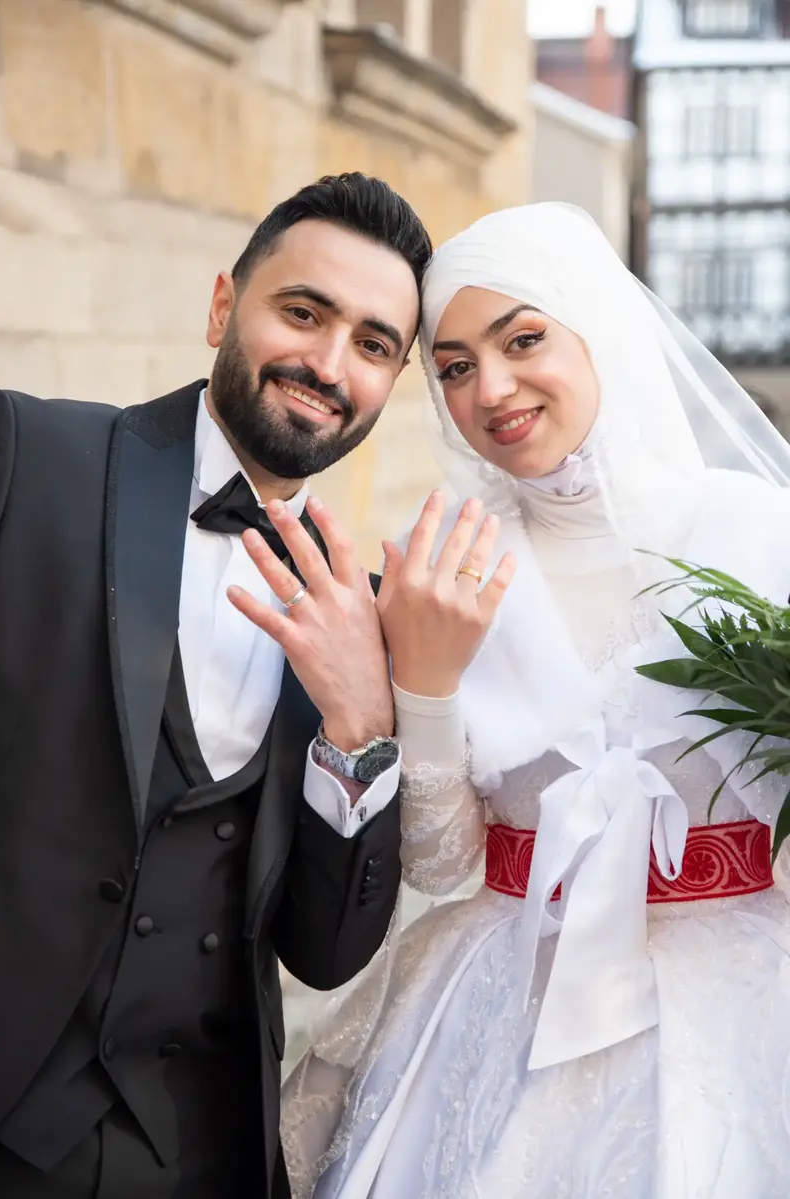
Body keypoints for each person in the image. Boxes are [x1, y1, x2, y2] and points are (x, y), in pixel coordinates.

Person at [280, 203, 790, 1199]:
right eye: (454, 366)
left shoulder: (757, 532)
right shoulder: (441, 561)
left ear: (596, 329)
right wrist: (426, 687)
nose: (492, 390)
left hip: (741, 995)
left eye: (522, 341)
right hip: (503, 986)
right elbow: (444, 863)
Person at [0, 172, 432, 1199]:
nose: (329, 365)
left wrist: (359, 722)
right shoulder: (27, 455)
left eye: (373, 345)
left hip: (206, 1150)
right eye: (303, 312)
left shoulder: (365, 617)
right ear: (223, 306)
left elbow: (326, 951)